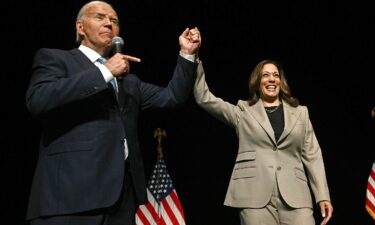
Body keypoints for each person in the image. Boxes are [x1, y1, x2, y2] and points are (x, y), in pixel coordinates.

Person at [25, 1, 201, 224]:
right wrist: (104, 71)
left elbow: (172, 97)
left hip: (121, 199)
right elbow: (38, 100)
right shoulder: (55, 59)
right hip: (70, 196)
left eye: (114, 21)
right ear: (80, 27)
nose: (109, 23)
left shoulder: (129, 82)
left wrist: (186, 54)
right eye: (100, 17)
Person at [193, 59, 333, 225]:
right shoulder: (243, 112)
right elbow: (204, 98)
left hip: (296, 196)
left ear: (281, 81)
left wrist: (322, 195)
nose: (271, 79)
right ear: (257, 82)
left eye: (275, 75)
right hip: (254, 196)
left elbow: (313, 155)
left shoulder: (300, 113)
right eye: (265, 75)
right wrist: (194, 60)